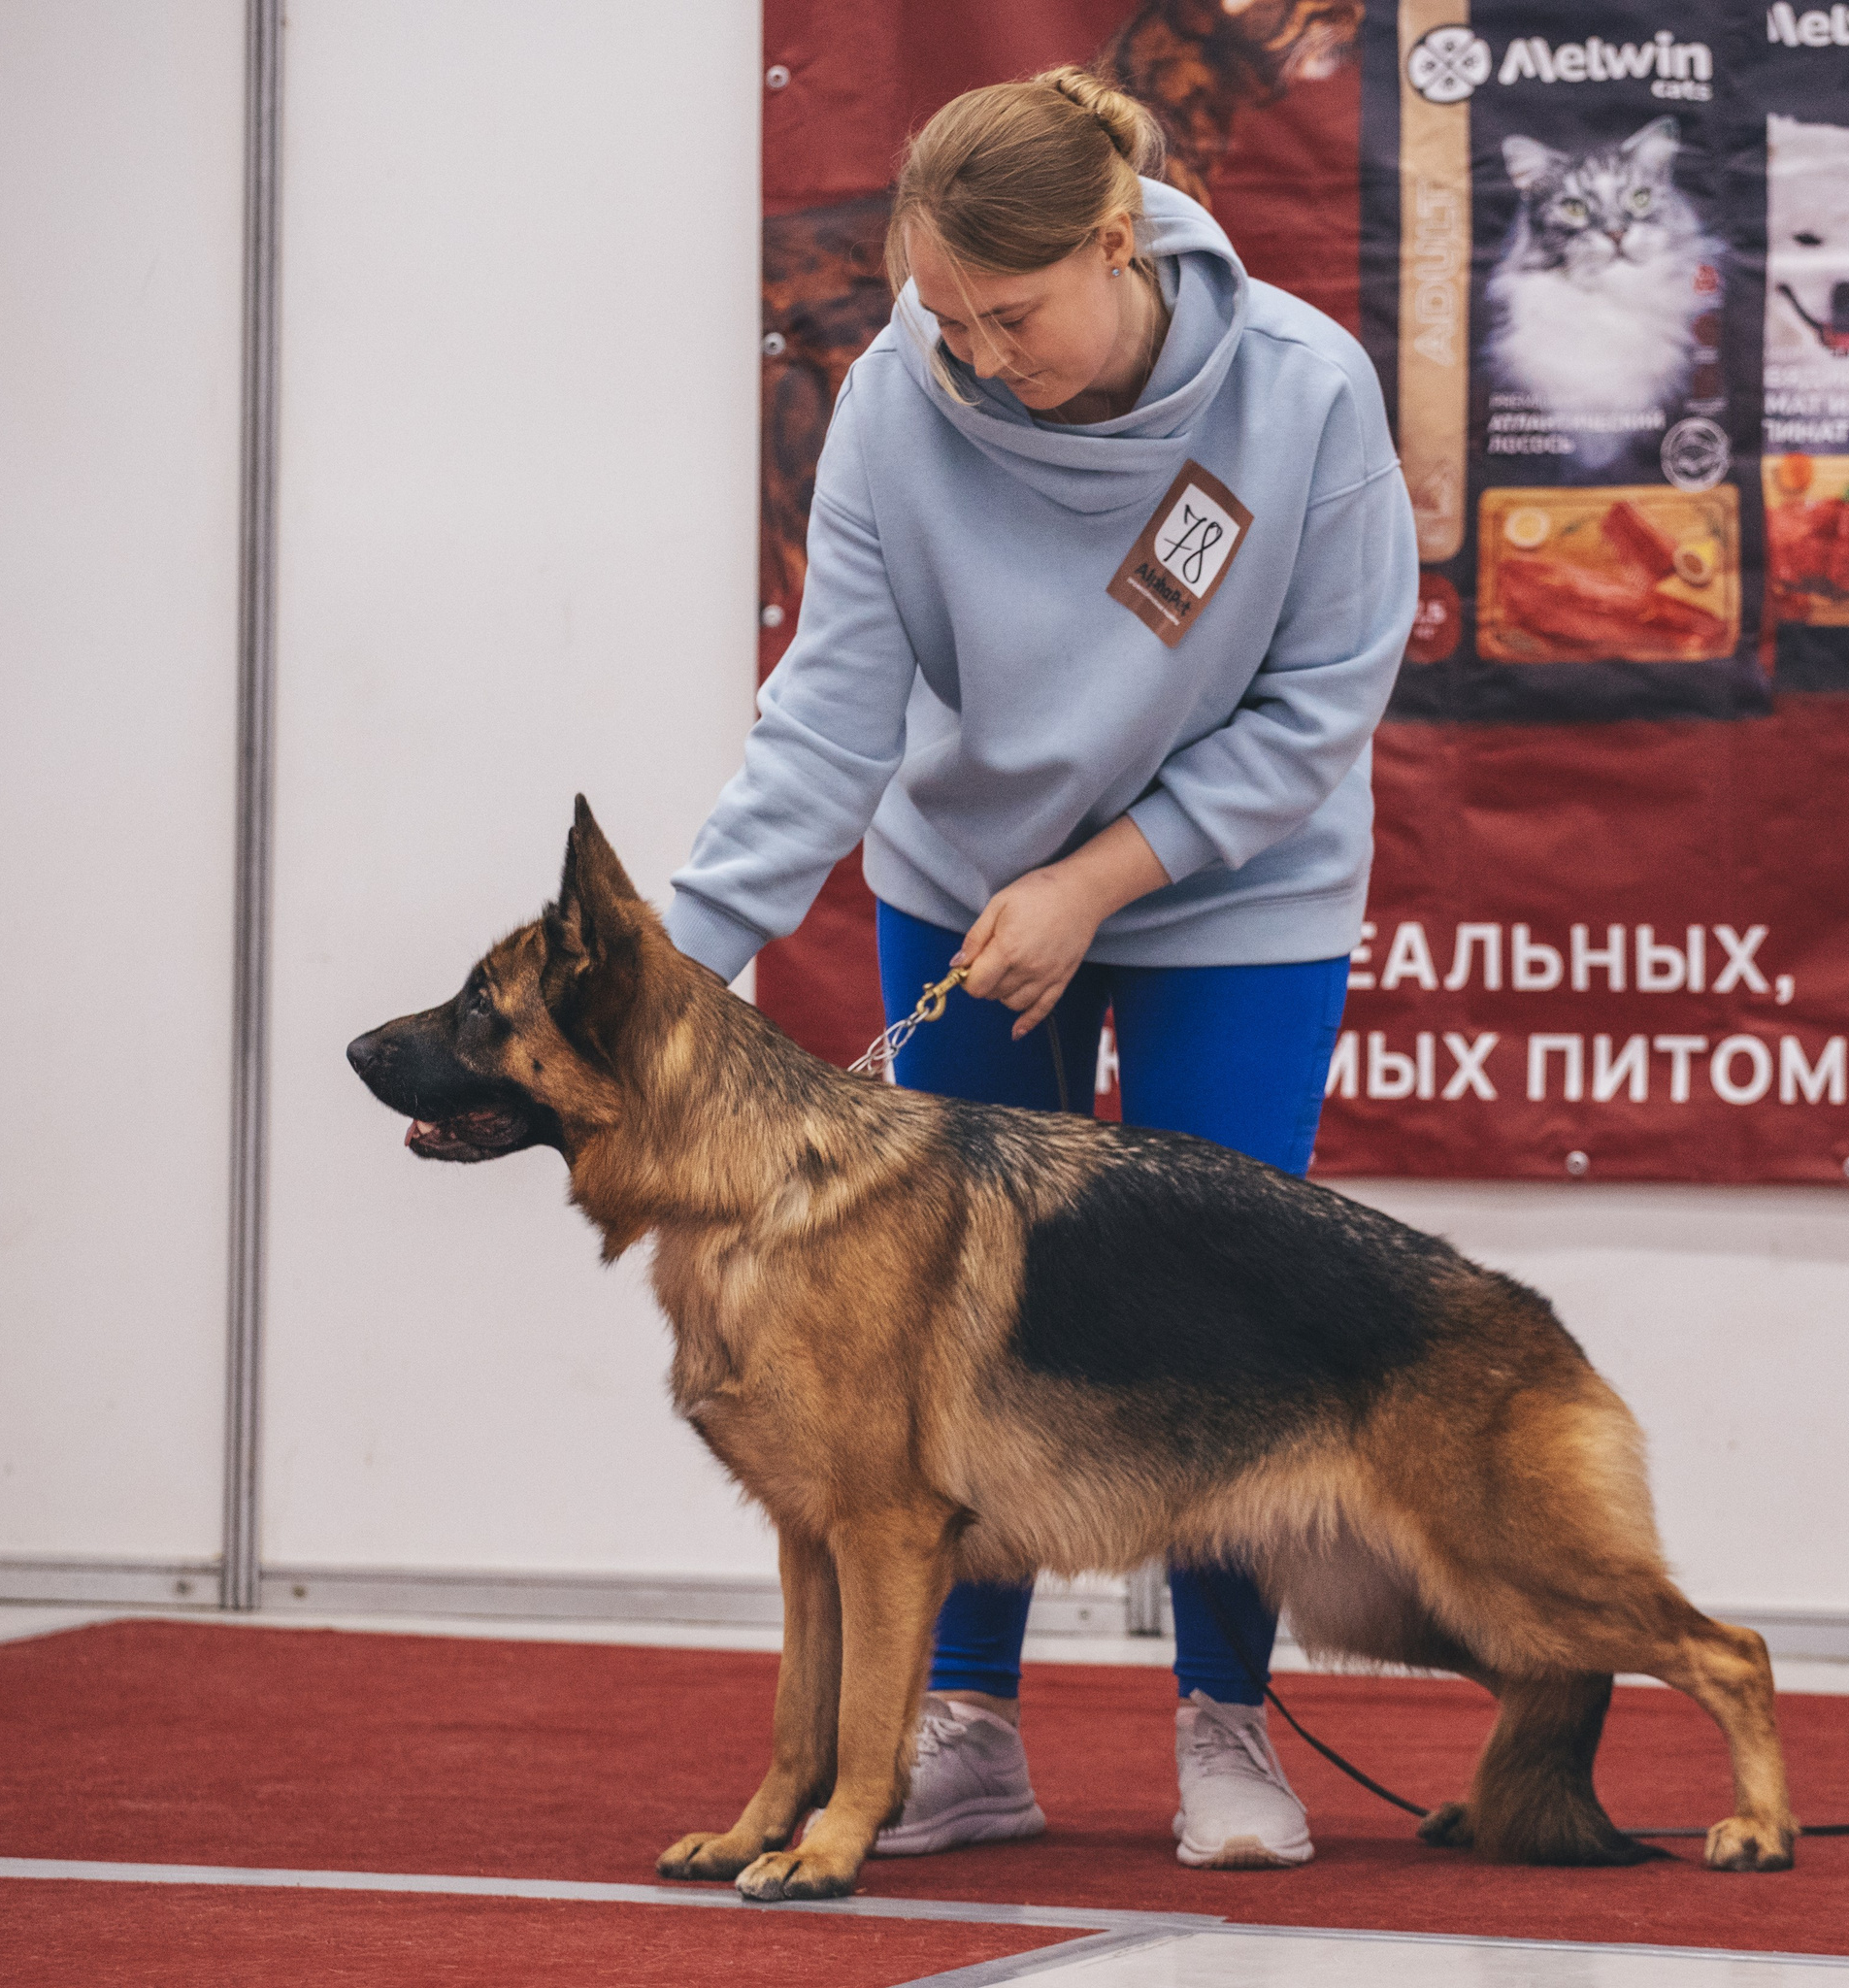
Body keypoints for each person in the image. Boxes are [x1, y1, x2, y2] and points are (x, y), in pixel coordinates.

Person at [666, 66, 1416, 1871]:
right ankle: (968, 1729)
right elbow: (826, 718)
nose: (983, 357)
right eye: (947, 318)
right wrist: (670, 973)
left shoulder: (1301, 389)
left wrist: (1107, 873)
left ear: (1118, 239)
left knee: (1228, 1316)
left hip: (1234, 897)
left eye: (1014, 316)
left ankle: (1227, 1730)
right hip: (966, 884)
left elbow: (1325, 700)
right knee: (928, 1333)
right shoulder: (892, 406)